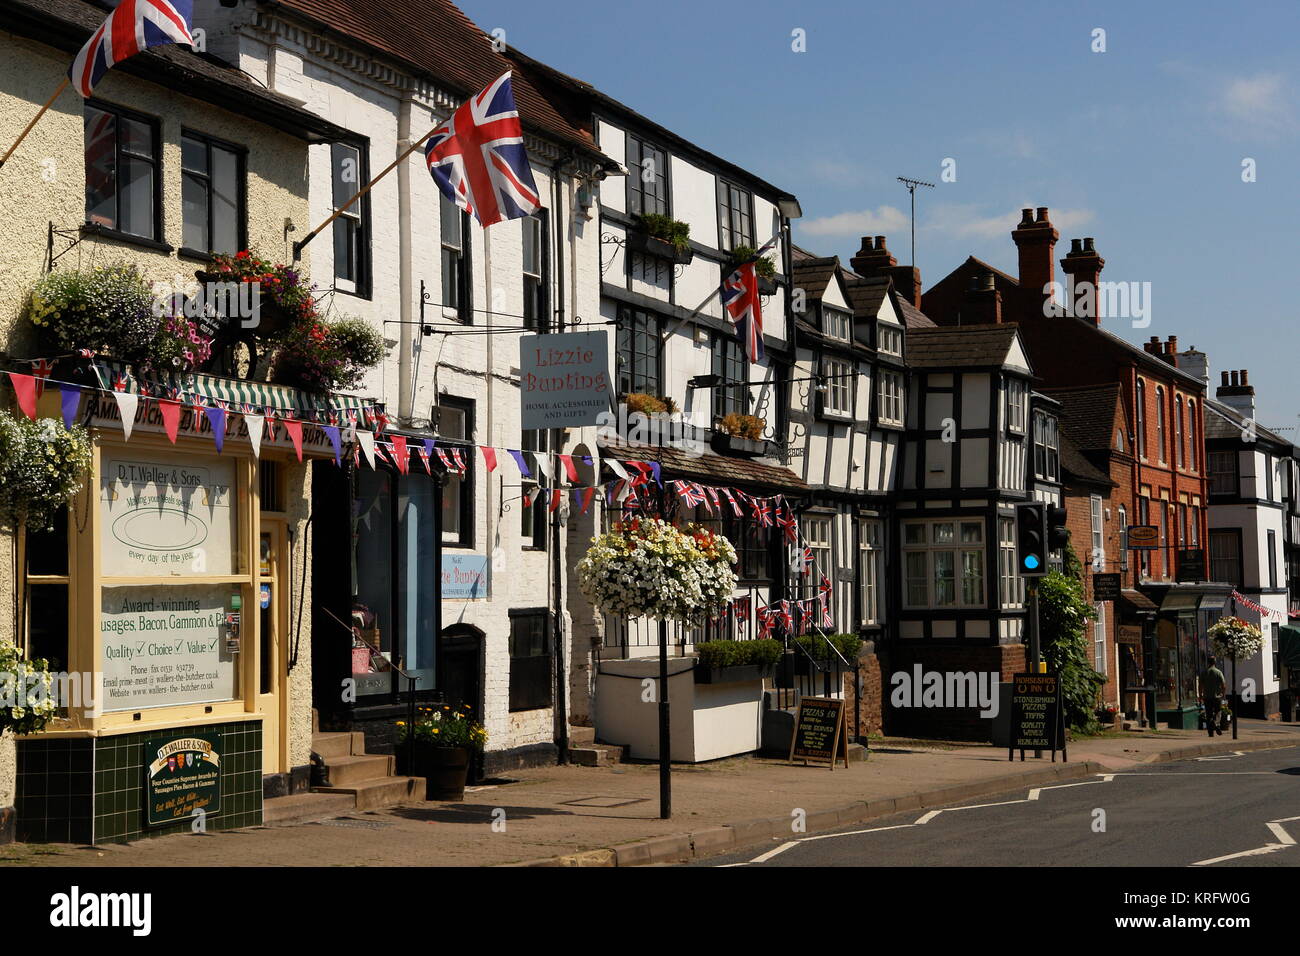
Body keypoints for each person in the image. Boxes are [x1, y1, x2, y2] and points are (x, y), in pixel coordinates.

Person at [1202, 657, 1227, 737]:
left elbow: (1200, 685)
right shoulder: (1218, 672)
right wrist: (1223, 694)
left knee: (1208, 714)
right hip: (1217, 697)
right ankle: (1216, 724)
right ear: (1215, 662)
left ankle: (1210, 733)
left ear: (1208, 662)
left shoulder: (1204, 672)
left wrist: (1200, 695)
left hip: (1207, 697)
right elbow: (1223, 685)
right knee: (1218, 712)